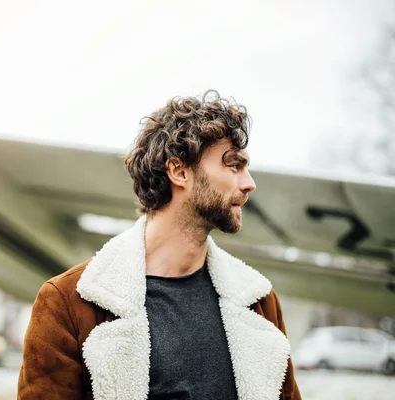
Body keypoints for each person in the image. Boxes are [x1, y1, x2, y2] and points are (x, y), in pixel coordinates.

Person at [17, 91, 301, 400]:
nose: (248, 183)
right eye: (233, 165)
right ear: (179, 171)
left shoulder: (258, 300)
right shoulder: (68, 304)